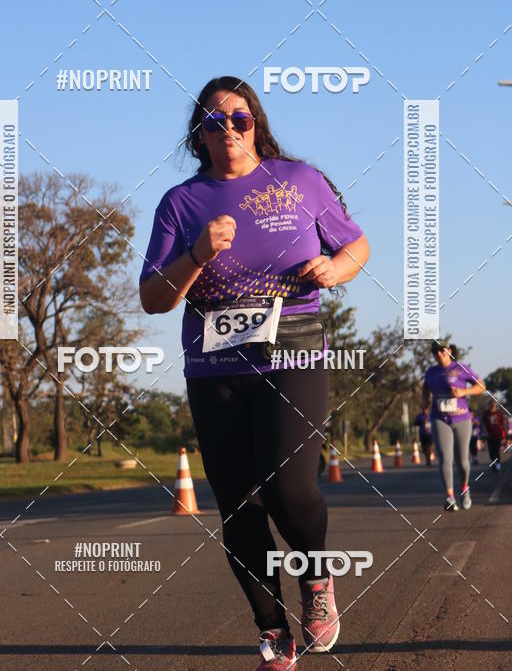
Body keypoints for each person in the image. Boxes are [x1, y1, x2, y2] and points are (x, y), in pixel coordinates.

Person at [139, 77, 370, 668]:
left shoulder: (299, 181)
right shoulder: (181, 203)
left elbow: (357, 246)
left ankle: (316, 583)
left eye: (239, 118)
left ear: (256, 123)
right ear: (201, 134)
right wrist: (196, 255)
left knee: (289, 489)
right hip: (214, 366)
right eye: (215, 122)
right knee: (239, 506)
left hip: (293, 352)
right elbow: (153, 299)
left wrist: (334, 270)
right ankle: (271, 628)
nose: (230, 130)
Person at [422, 342, 486, 511]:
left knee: (462, 461)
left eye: (442, 350)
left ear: (449, 351)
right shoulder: (431, 372)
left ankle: (464, 488)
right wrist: (425, 401)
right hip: (439, 417)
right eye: (435, 352)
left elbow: (481, 386)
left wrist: (463, 392)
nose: (439, 354)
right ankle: (449, 497)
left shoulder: (461, 368)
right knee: (445, 457)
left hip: (461, 418)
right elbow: (425, 387)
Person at [482, 398, 507, 472]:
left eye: (494, 403)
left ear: (495, 404)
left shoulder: (499, 413)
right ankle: (494, 463)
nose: (493, 405)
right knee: (491, 452)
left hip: (498, 435)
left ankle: (498, 464)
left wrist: (504, 436)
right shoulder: (486, 413)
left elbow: (503, 424)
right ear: (489, 404)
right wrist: (485, 431)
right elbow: (483, 424)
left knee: (496, 451)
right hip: (489, 435)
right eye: (491, 403)